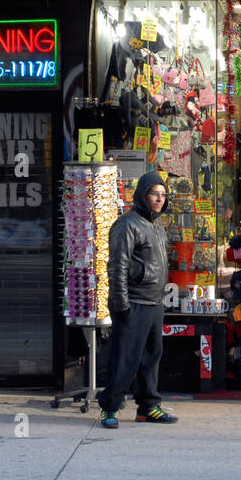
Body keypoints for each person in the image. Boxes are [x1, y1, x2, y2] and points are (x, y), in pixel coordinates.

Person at [97, 172, 178, 427]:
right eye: (155, 193)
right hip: (134, 301)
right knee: (124, 358)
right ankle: (110, 407)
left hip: (154, 302)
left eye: (163, 195)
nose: (159, 199)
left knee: (151, 358)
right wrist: (119, 302)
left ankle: (148, 406)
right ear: (143, 194)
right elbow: (117, 266)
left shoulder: (155, 225)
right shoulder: (127, 224)